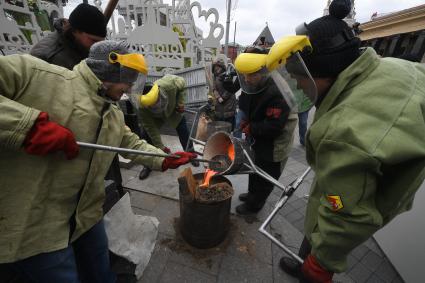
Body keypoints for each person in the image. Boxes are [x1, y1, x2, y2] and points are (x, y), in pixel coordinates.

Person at [0, 40, 196, 282]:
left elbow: (131, 143)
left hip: (87, 215)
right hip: (37, 226)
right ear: (111, 70)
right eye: (128, 81)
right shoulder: (37, 75)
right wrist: (28, 126)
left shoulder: (112, 112)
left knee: (101, 271)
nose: (128, 90)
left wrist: (165, 159)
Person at [275, 0, 425, 282]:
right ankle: (304, 256)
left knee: (332, 208)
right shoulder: (389, 66)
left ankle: (311, 263)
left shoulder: (343, 133)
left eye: (299, 78)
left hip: (347, 198)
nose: (297, 86)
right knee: (326, 206)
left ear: (322, 72)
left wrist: (323, 262)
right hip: (352, 178)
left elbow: (346, 213)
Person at [233, 46, 298, 215]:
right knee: (254, 167)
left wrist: (250, 127)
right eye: (244, 75)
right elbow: (245, 98)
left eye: (251, 75)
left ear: (263, 71)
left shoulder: (277, 91)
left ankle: (255, 205)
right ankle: (251, 194)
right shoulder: (252, 83)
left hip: (275, 144)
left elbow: (274, 126)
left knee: (265, 174)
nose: (246, 79)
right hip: (258, 137)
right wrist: (244, 117)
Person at [137, 74, 199, 180]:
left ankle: (190, 153)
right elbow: (150, 127)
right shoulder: (141, 106)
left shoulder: (169, 84)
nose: (155, 105)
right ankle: (148, 163)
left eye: (156, 102)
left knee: (183, 130)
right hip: (155, 117)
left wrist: (180, 102)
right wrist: (161, 147)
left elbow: (182, 82)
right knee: (146, 135)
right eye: (151, 105)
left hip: (172, 110)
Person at [30, 3, 106, 70]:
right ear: (75, 31)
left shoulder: (81, 44)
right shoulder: (45, 58)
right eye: (93, 40)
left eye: (101, 41)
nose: (98, 46)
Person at [209, 57, 237, 130]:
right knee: (220, 126)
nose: (216, 68)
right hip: (219, 102)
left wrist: (223, 97)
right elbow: (214, 88)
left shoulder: (228, 74)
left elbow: (231, 89)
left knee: (229, 126)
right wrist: (218, 97)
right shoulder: (215, 76)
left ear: (221, 66)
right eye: (215, 67)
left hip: (229, 102)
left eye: (218, 66)